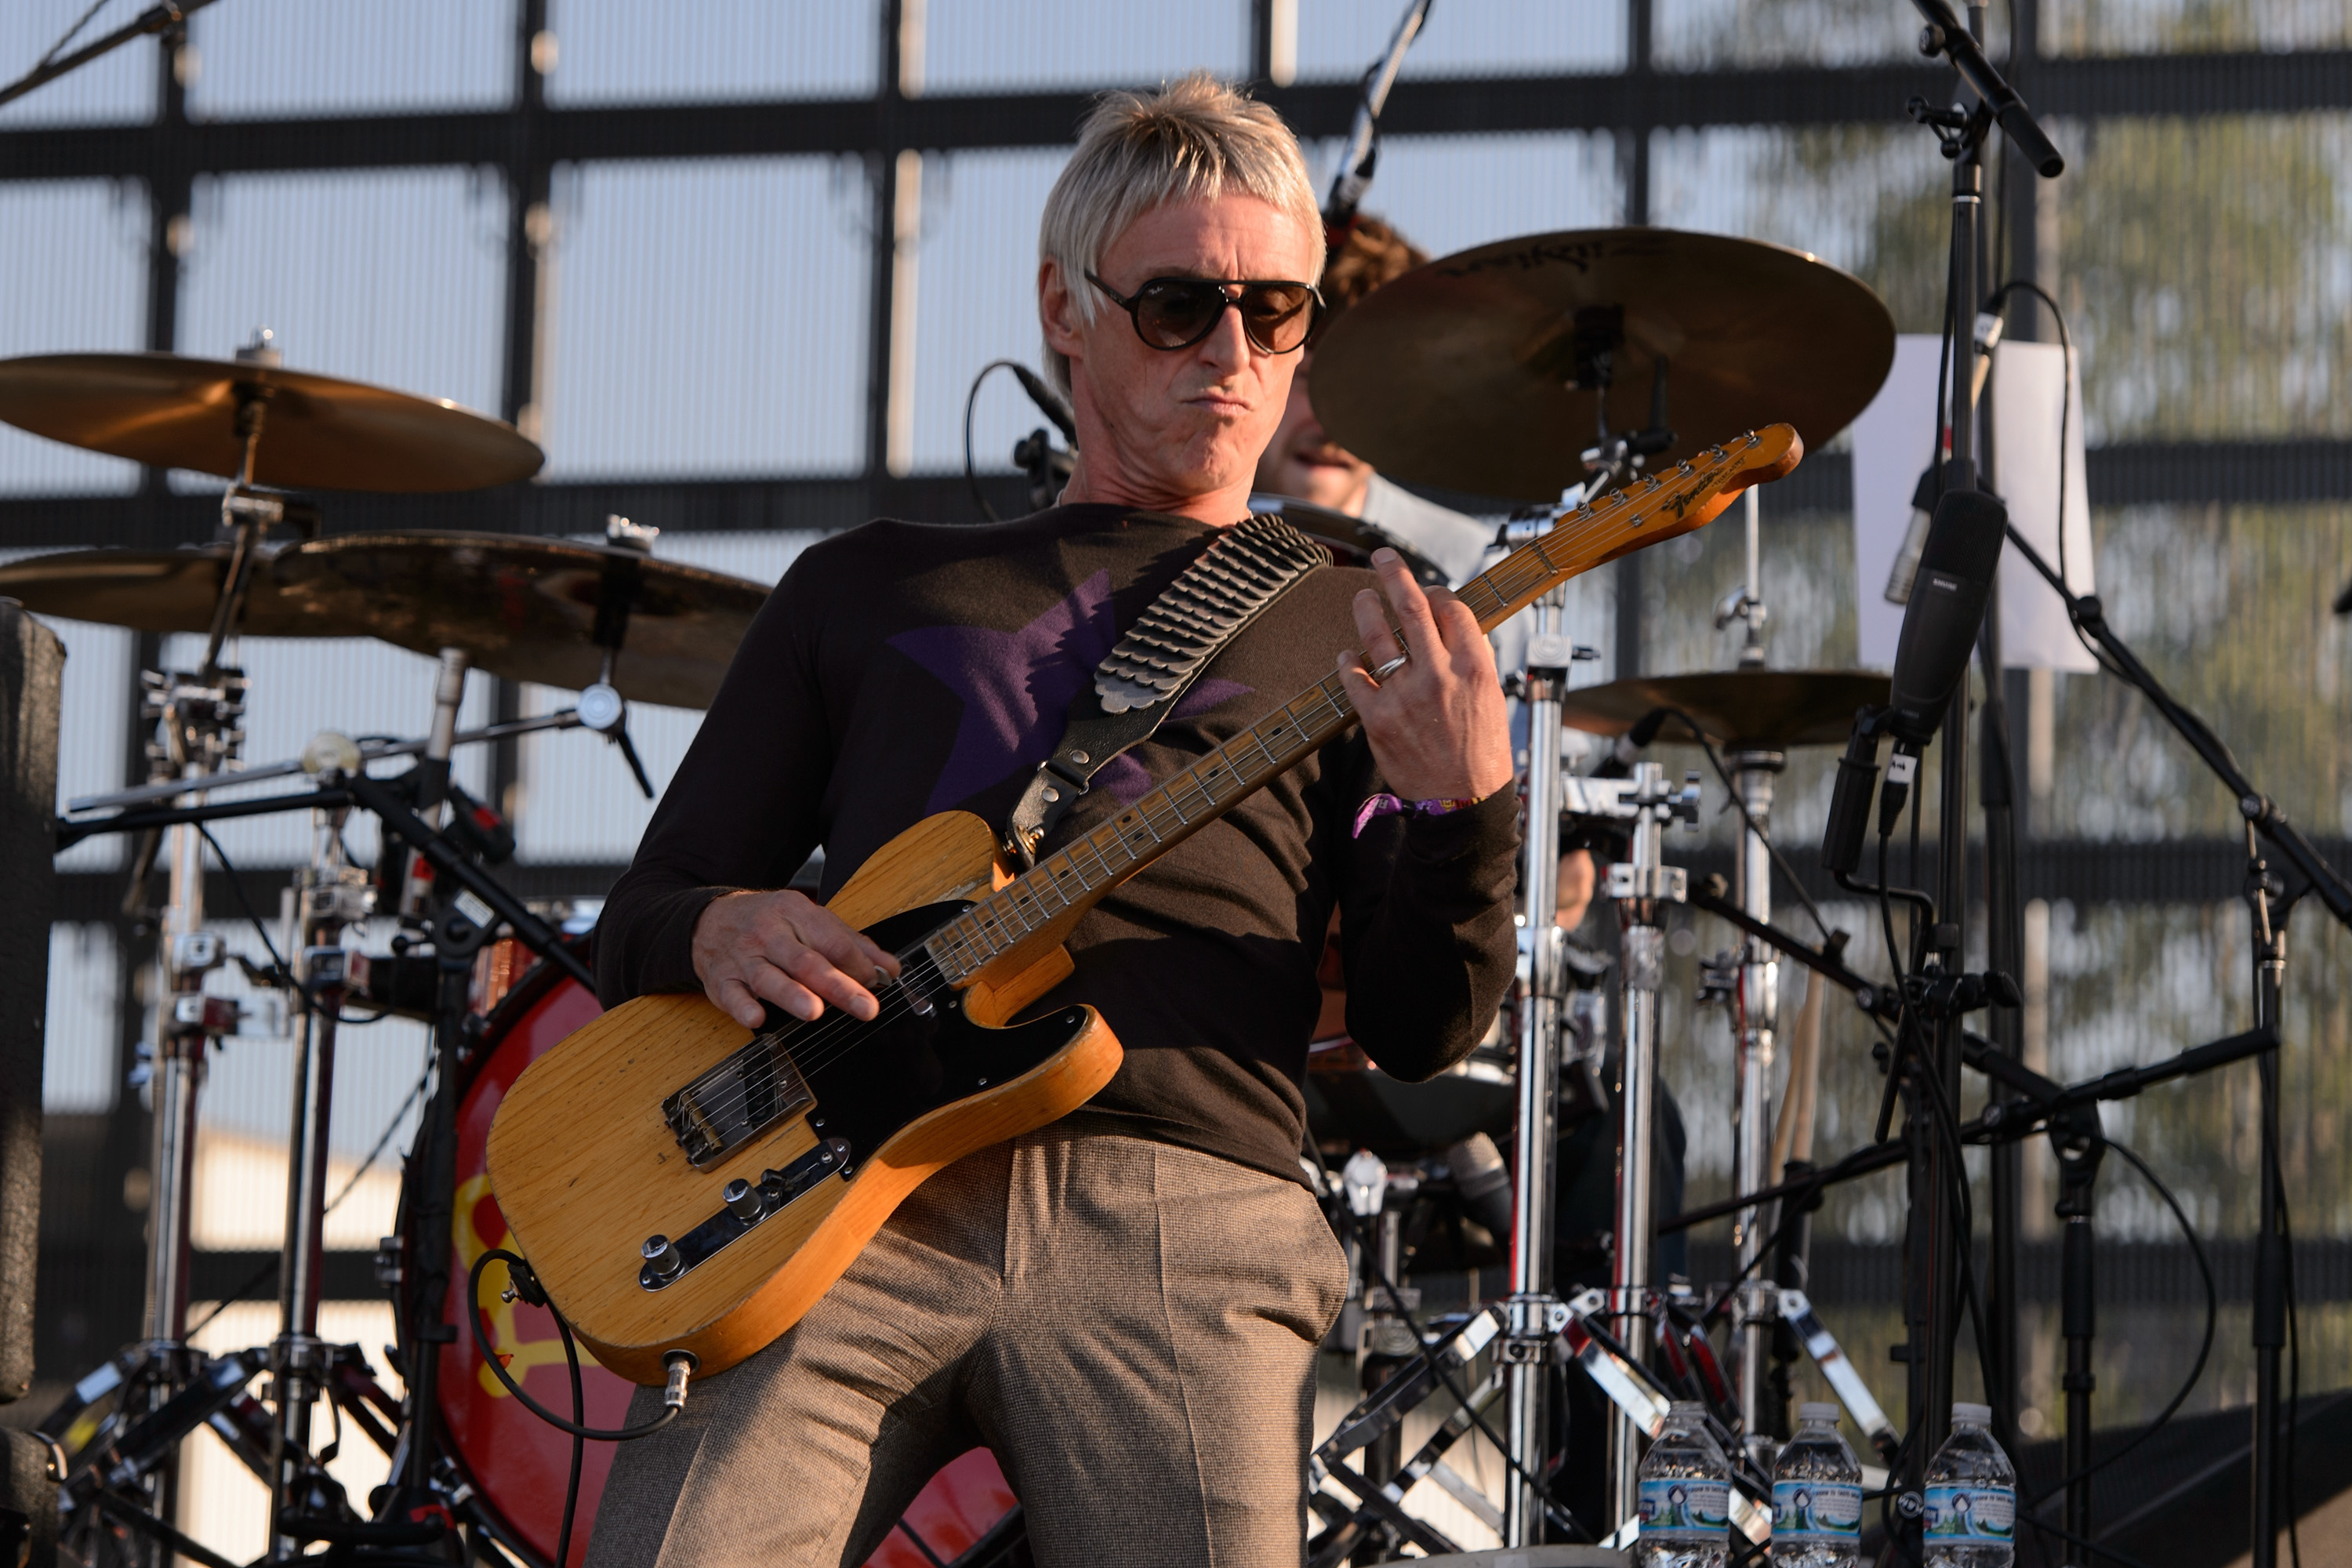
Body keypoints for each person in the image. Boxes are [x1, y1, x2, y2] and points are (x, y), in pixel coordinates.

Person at [584, 74, 1519, 1568]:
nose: (1235, 353)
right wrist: (717, 924)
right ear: (1065, 308)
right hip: (851, 1195)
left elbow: (1420, 1028)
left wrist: (1470, 808)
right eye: (1180, 308)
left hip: (1187, 1206)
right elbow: (644, 910)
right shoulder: (864, 586)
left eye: (1279, 313)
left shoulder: (1358, 617)